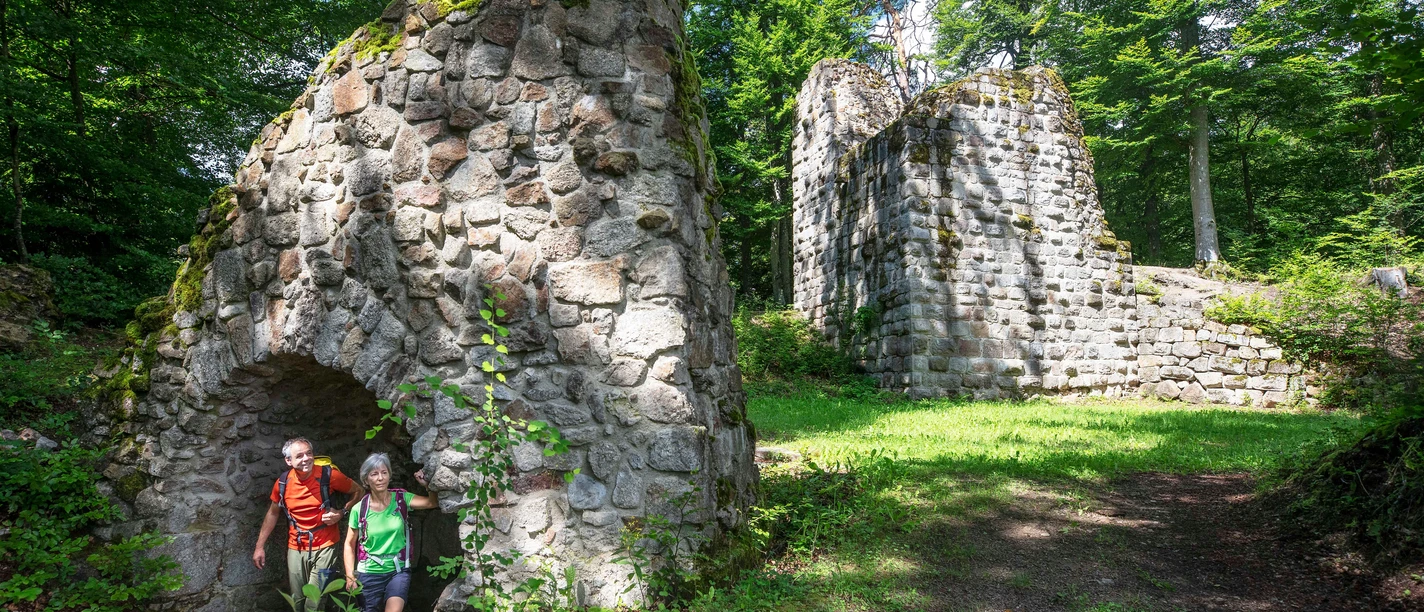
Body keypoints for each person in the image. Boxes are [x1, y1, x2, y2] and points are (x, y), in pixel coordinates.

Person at [253, 438, 365, 611]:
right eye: (300, 456)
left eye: (309, 453)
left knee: (314, 602)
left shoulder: (329, 475)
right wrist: (260, 546)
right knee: (297, 601)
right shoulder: (283, 483)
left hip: (326, 546)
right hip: (296, 548)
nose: (306, 458)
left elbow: (359, 491)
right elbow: (273, 513)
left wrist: (342, 512)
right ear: (289, 461)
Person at [342, 453, 438, 612]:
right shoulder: (358, 509)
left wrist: (427, 485)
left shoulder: (401, 499)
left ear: (389, 475)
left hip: (398, 570)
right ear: (366, 480)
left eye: (384, 472)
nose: (380, 478)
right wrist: (350, 576)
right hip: (368, 573)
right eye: (374, 474)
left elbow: (432, 502)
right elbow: (349, 544)